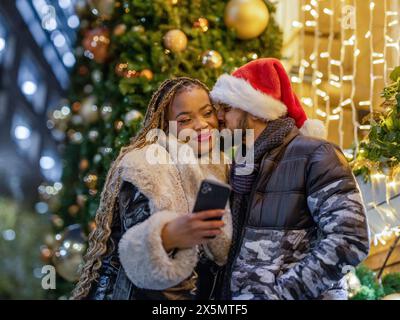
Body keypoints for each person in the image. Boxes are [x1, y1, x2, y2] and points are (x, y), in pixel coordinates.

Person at [209, 58, 370, 300]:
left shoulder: (315, 154)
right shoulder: (241, 165)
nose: (219, 116)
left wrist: (281, 295)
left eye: (227, 107)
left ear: (254, 109)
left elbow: (350, 240)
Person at [72, 77, 232, 300]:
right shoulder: (144, 166)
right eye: (185, 119)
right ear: (165, 125)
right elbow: (132, 246)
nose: (201, 124)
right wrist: (168, 236)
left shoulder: (221, 166)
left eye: (207, 113)